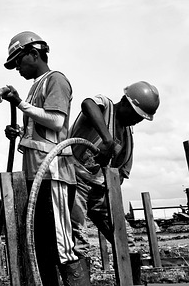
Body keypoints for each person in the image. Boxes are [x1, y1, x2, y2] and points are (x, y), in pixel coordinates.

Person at [1, 31, 89, 286]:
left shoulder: (56, 80)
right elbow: (41, 132)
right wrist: (20, 133)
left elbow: (56, 120)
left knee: (61, 248)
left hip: (54, 176)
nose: (17, 68)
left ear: (33, 54)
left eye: (18, 61)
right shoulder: (36, 87)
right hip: (38, 176)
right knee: (42, 250)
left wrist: (19, 103)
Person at [69, 81, 160, 259]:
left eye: (141, 118)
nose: (137, 120)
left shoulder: (127, 136)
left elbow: (120, 174)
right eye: (136, 114)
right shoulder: (105, 106)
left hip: (99, 190)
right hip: (75, 180)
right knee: (79, 241)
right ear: (125, 101)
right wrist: (107, 140)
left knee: (126, 240)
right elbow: (87, 103)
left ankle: (131, 273)